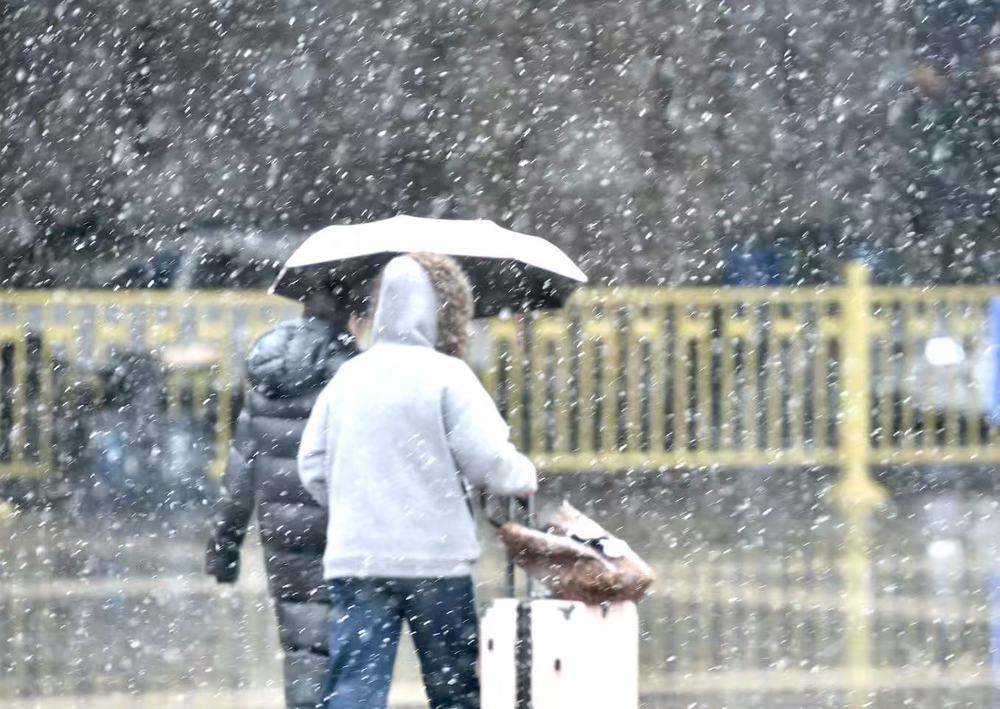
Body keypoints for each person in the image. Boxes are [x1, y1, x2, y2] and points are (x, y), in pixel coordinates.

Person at [298, 253, 537, 709]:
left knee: (355, 686)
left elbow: (312, 465)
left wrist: (355, 505)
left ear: (381, 306)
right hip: (436, 560)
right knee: (453, 689)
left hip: (359, 557)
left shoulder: (348, 377)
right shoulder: (448, 376)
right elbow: (489, 462)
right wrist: (523, 474)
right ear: (439, 310)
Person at [205, 287, 361, 709]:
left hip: (283, 535)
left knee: (301, 647)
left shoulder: (267, 372)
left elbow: (241, 469)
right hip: (341, 529)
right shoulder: (353, 371)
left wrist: (224, 547)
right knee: (351, 653)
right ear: (349, 315)